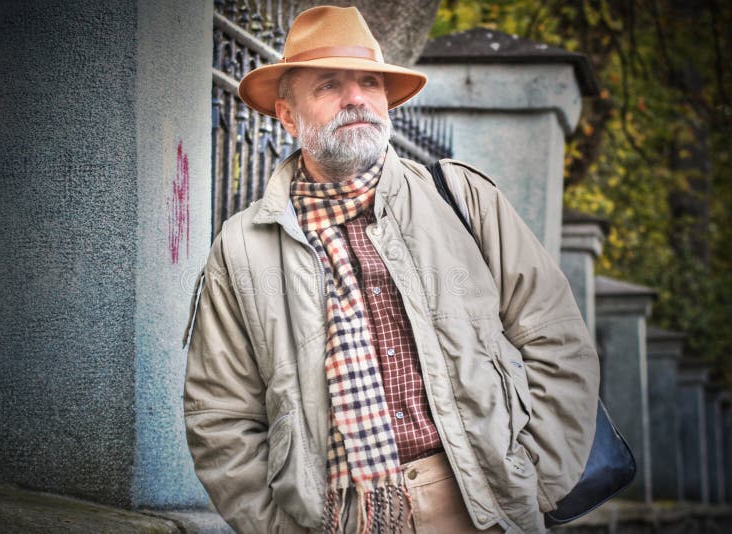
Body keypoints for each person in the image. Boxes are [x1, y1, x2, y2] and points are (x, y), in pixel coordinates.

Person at [183, 6, 599, 534]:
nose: (356, 98)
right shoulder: (242, 247)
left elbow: (556, 338)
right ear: (287, 115)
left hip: (482, 502)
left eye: (370, 83)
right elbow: (220, 416)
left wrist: (533, 480)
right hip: (341, 517)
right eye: (329, 85)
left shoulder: (463, 199)